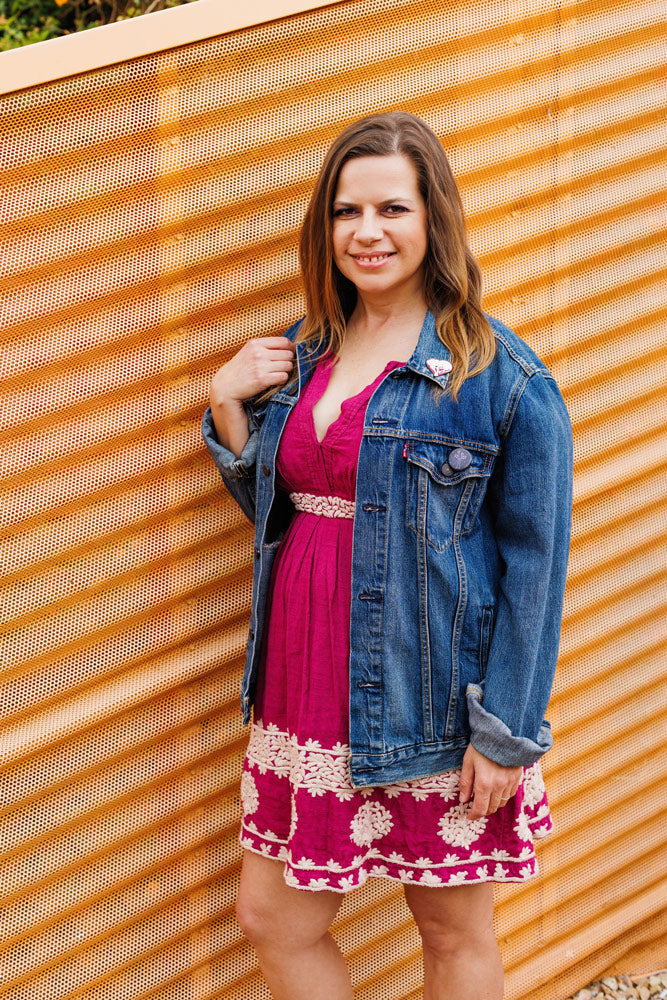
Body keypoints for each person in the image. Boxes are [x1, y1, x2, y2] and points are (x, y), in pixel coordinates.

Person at [201, 111, 573, 1000]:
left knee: (449, 930)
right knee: (273, 920)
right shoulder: (306, 348)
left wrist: (507, 735)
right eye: (345, 211)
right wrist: (226, 408)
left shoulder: (500, 377)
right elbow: (286, 513)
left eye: (391, 210)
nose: (366, 233)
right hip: (304, 681)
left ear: (432, 219)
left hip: (435, 691)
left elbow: (537, 568)